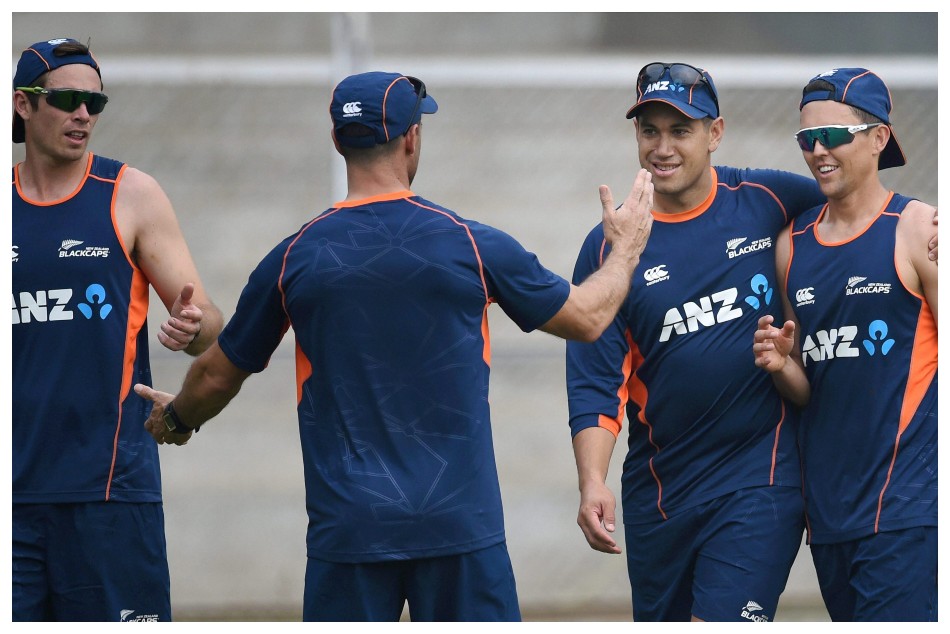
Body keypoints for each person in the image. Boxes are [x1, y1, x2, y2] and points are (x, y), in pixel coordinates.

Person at [133, 70, 654, 622]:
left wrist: (178, 418)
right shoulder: (470, 243)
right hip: (460, 528)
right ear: (412, 138)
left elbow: (217, 374)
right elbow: (589, 318)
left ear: (338, 143)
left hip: (350, 534)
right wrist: (625, 249)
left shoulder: (294, 258)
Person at [565, 61, 836, 623]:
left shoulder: (767, 199)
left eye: (680, 131)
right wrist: (592, 482)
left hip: (760, 480)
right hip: (661, 492)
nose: (662, 148)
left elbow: (858, 209)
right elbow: (595, 382)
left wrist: (924, 228)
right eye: (650, 131)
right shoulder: (610, 245)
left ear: (715, 133)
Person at [12, 38, 224, 622]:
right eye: (68, 100)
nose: (84, 113)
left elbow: (209, 322)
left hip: (110, 492)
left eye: (96, 102)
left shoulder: (131, 194)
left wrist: (194, 325)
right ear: (23, 104)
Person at [752, 67, 937, 621]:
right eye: (807, 139)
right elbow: (808, 391)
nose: (817, 152)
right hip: (831, 515)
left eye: (833, 135)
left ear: (879, 138)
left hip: (910, 508)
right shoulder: (792, 245)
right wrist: (781, 365)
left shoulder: (920, 230)